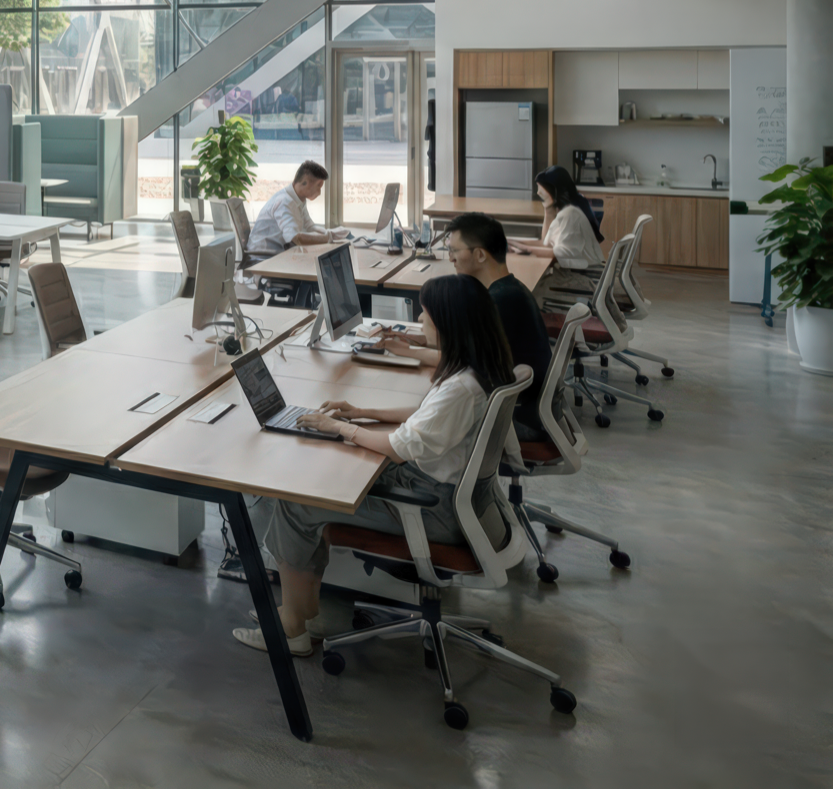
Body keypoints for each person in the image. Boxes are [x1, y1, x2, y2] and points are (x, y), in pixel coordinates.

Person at [234, 273, 520, 656]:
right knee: (325, 477)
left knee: (295, 503)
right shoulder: (476, 370)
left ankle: (292, 629)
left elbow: (396, 448)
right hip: (461, 502)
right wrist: (361, 412)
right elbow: (424, 415)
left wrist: (339, 427)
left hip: (433, 510)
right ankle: (302, 610)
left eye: (426, 313)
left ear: (450, 322)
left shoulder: (459, 389)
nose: (420, 320)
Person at [373, 212, 551, 435]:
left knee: (403, 427)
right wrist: (414, 339)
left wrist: (408, 351)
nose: (451, 258)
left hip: (513, 422)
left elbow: (460, 361)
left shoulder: (500, 303)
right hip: (519, 409)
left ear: (479, 255)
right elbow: (467, 346)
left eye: (454, 251)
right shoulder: (507, 290)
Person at [518, 166, 605, 307]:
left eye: (541, 188)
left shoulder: (570, 214)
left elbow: (561, 253)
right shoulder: (567, 210)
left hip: (582, 275)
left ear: (554, 190)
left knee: (528, 291)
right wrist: (548, 210)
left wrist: (526, 249)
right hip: (578, 271)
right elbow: (547, 242)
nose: (538, 192)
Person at [246, 161, 344, 261]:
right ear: (305, 182)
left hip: (280, 254)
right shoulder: (284, 202)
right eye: (318, 185)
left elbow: (310, 226)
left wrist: (332, 233)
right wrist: (329, 238)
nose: (319, 192)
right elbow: (294, 238)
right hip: (264, 259)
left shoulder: (299, 199)